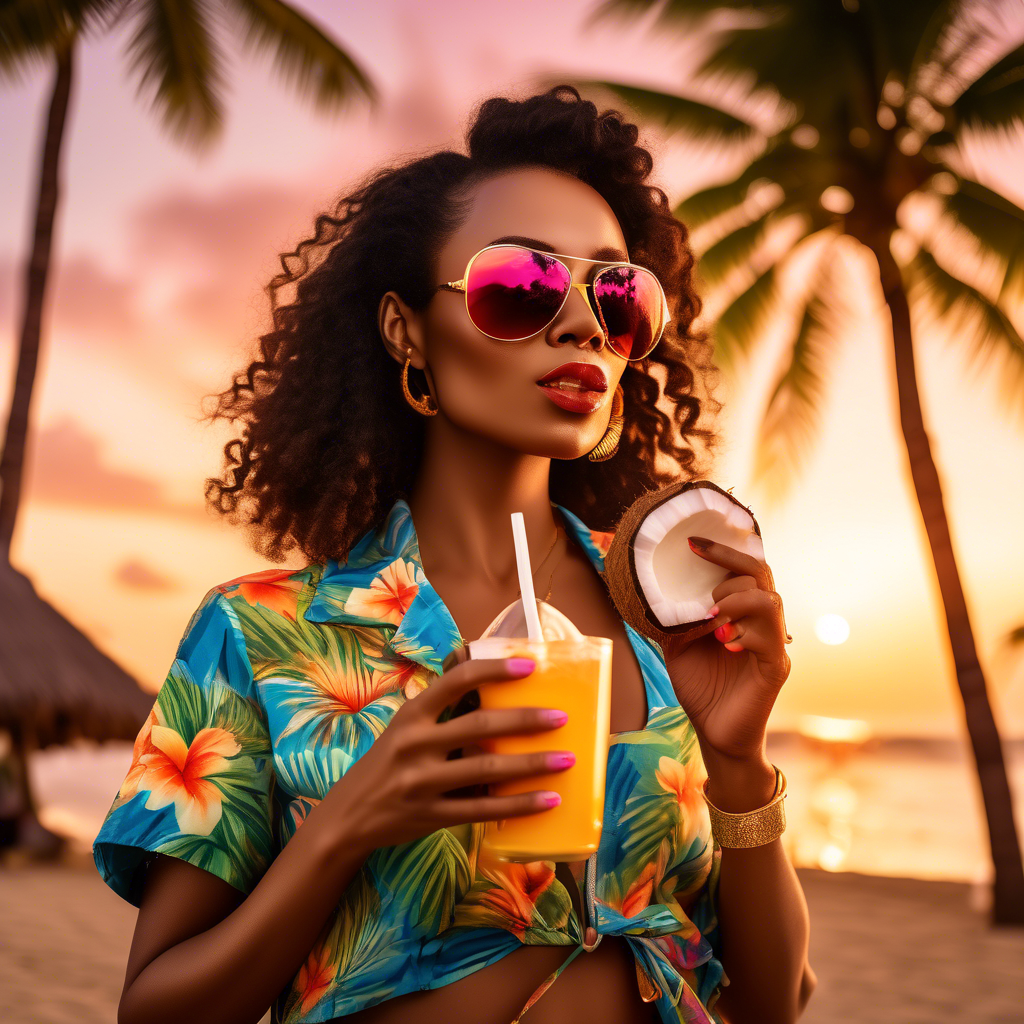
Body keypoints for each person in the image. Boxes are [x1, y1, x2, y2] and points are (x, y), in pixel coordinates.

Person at [93, 85, 816, 1024]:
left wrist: (740, 763)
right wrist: (345, 825)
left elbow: (772, 1005)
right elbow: (155, 1010)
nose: (583, 326)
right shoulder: (260, 634)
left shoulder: (665, 611)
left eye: (616, 294)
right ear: (407, 330)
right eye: (521, 287)